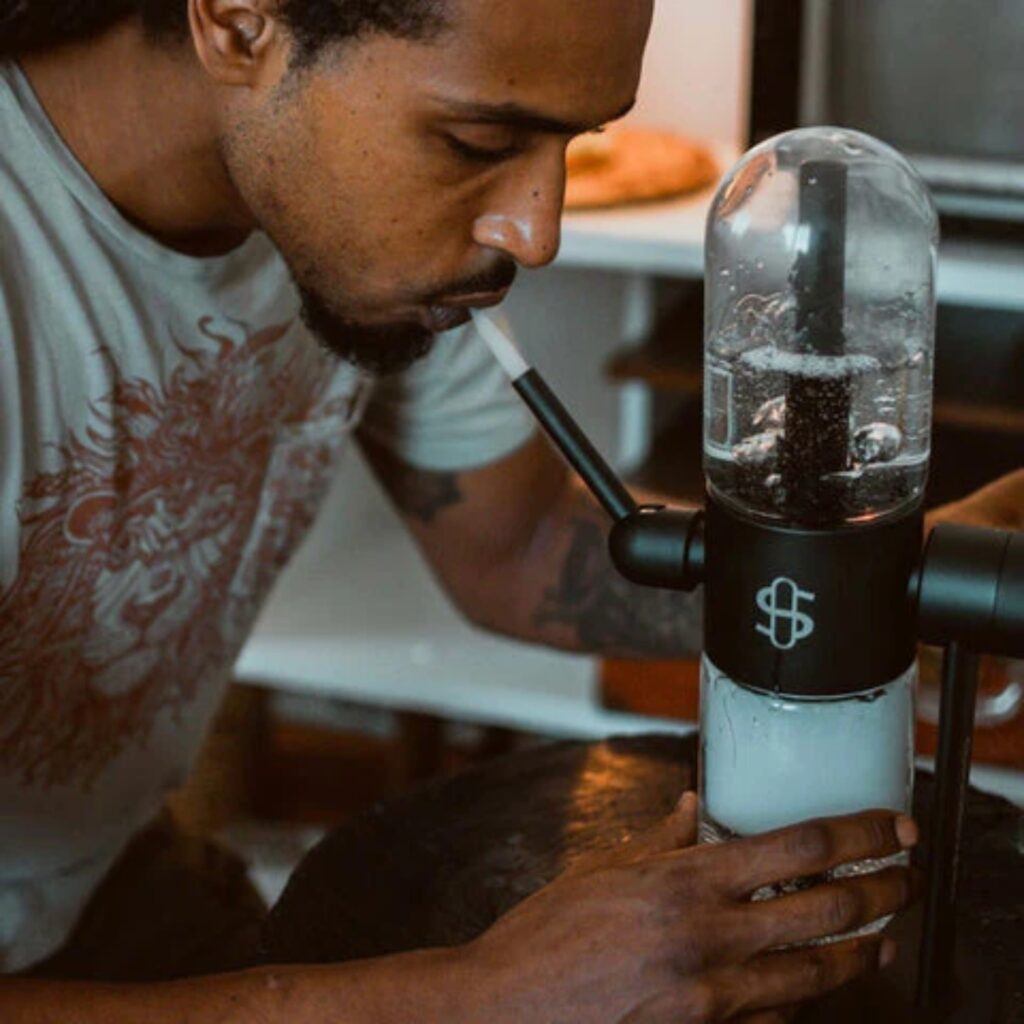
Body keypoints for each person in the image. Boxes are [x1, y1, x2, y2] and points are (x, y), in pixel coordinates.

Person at [0, 0, 1020, 1020]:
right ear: (235, 21)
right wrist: (475, 996)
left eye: (572, 142)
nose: (535, 230)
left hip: (104, 892)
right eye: (479, 140)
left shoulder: (344, 226)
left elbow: (519, 545)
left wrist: (865, 598)